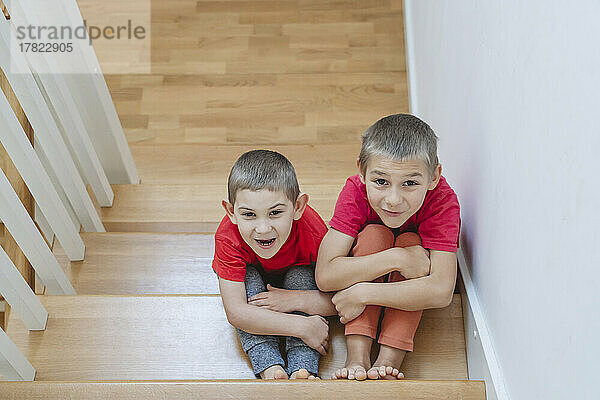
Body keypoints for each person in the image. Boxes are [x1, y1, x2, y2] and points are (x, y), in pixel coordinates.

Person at [315, 114, 461, 380]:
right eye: (381, 181)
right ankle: (357, 354)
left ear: (434, 177)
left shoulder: (442, 201)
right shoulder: (355, 191)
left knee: (411, 242)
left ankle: (390, 356)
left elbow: (441, 291)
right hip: (376, 256)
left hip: (374, 286)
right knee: (375, 235)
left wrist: (363, 293)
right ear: (362, 172)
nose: (393, 200)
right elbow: (325, 275)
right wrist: (396, 257)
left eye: (410, 183)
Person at [213, 149, 337, 380]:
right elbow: (237, 312)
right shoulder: (227, 238)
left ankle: (303, 367)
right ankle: (270, 365)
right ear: (231, 212)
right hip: (257, 287)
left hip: (299, 283)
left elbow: (344, 300)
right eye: (249, 214)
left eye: (275, 213)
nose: (263, 229)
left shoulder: (315, 234)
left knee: (300, 275)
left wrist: (295, 300)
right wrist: (302, 326)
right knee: (248, 280)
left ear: (298, 207)